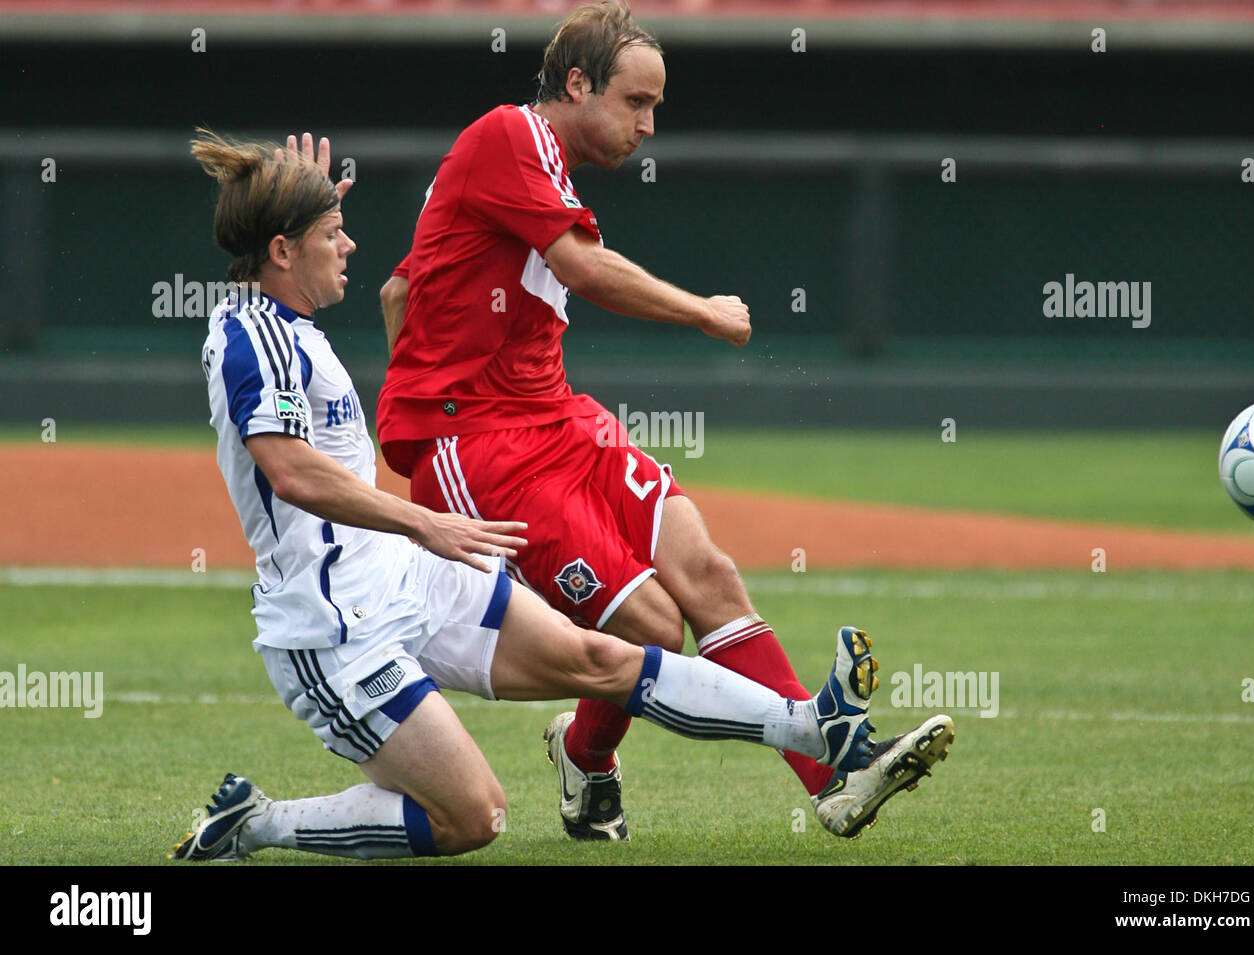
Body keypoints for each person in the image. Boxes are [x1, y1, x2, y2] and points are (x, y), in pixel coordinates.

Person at [173, 127, 922, 862]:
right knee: (474, 816)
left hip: (399, 577)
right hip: (332, 629)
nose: (350, 244)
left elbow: (381, 288)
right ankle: (256, 824)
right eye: (332, 233)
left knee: (603, 655)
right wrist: (425, 522)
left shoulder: (284, 321)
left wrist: (300, 207)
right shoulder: (255, 337)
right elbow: (293, 472)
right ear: (279, 252)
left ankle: (811, 727)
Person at [376, 0, 954, 841]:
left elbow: (399, 291)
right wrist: (704, 313)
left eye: (655, 106)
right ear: (577, 84)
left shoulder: (536, 165)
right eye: (636, 102)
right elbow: (580, 266)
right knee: (651, 625)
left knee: (708, 571)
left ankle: (836, 774)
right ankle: (591, 757)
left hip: (560, 417)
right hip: (485, 442)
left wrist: (419, 371)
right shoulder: (510, 136)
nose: (649, 124)